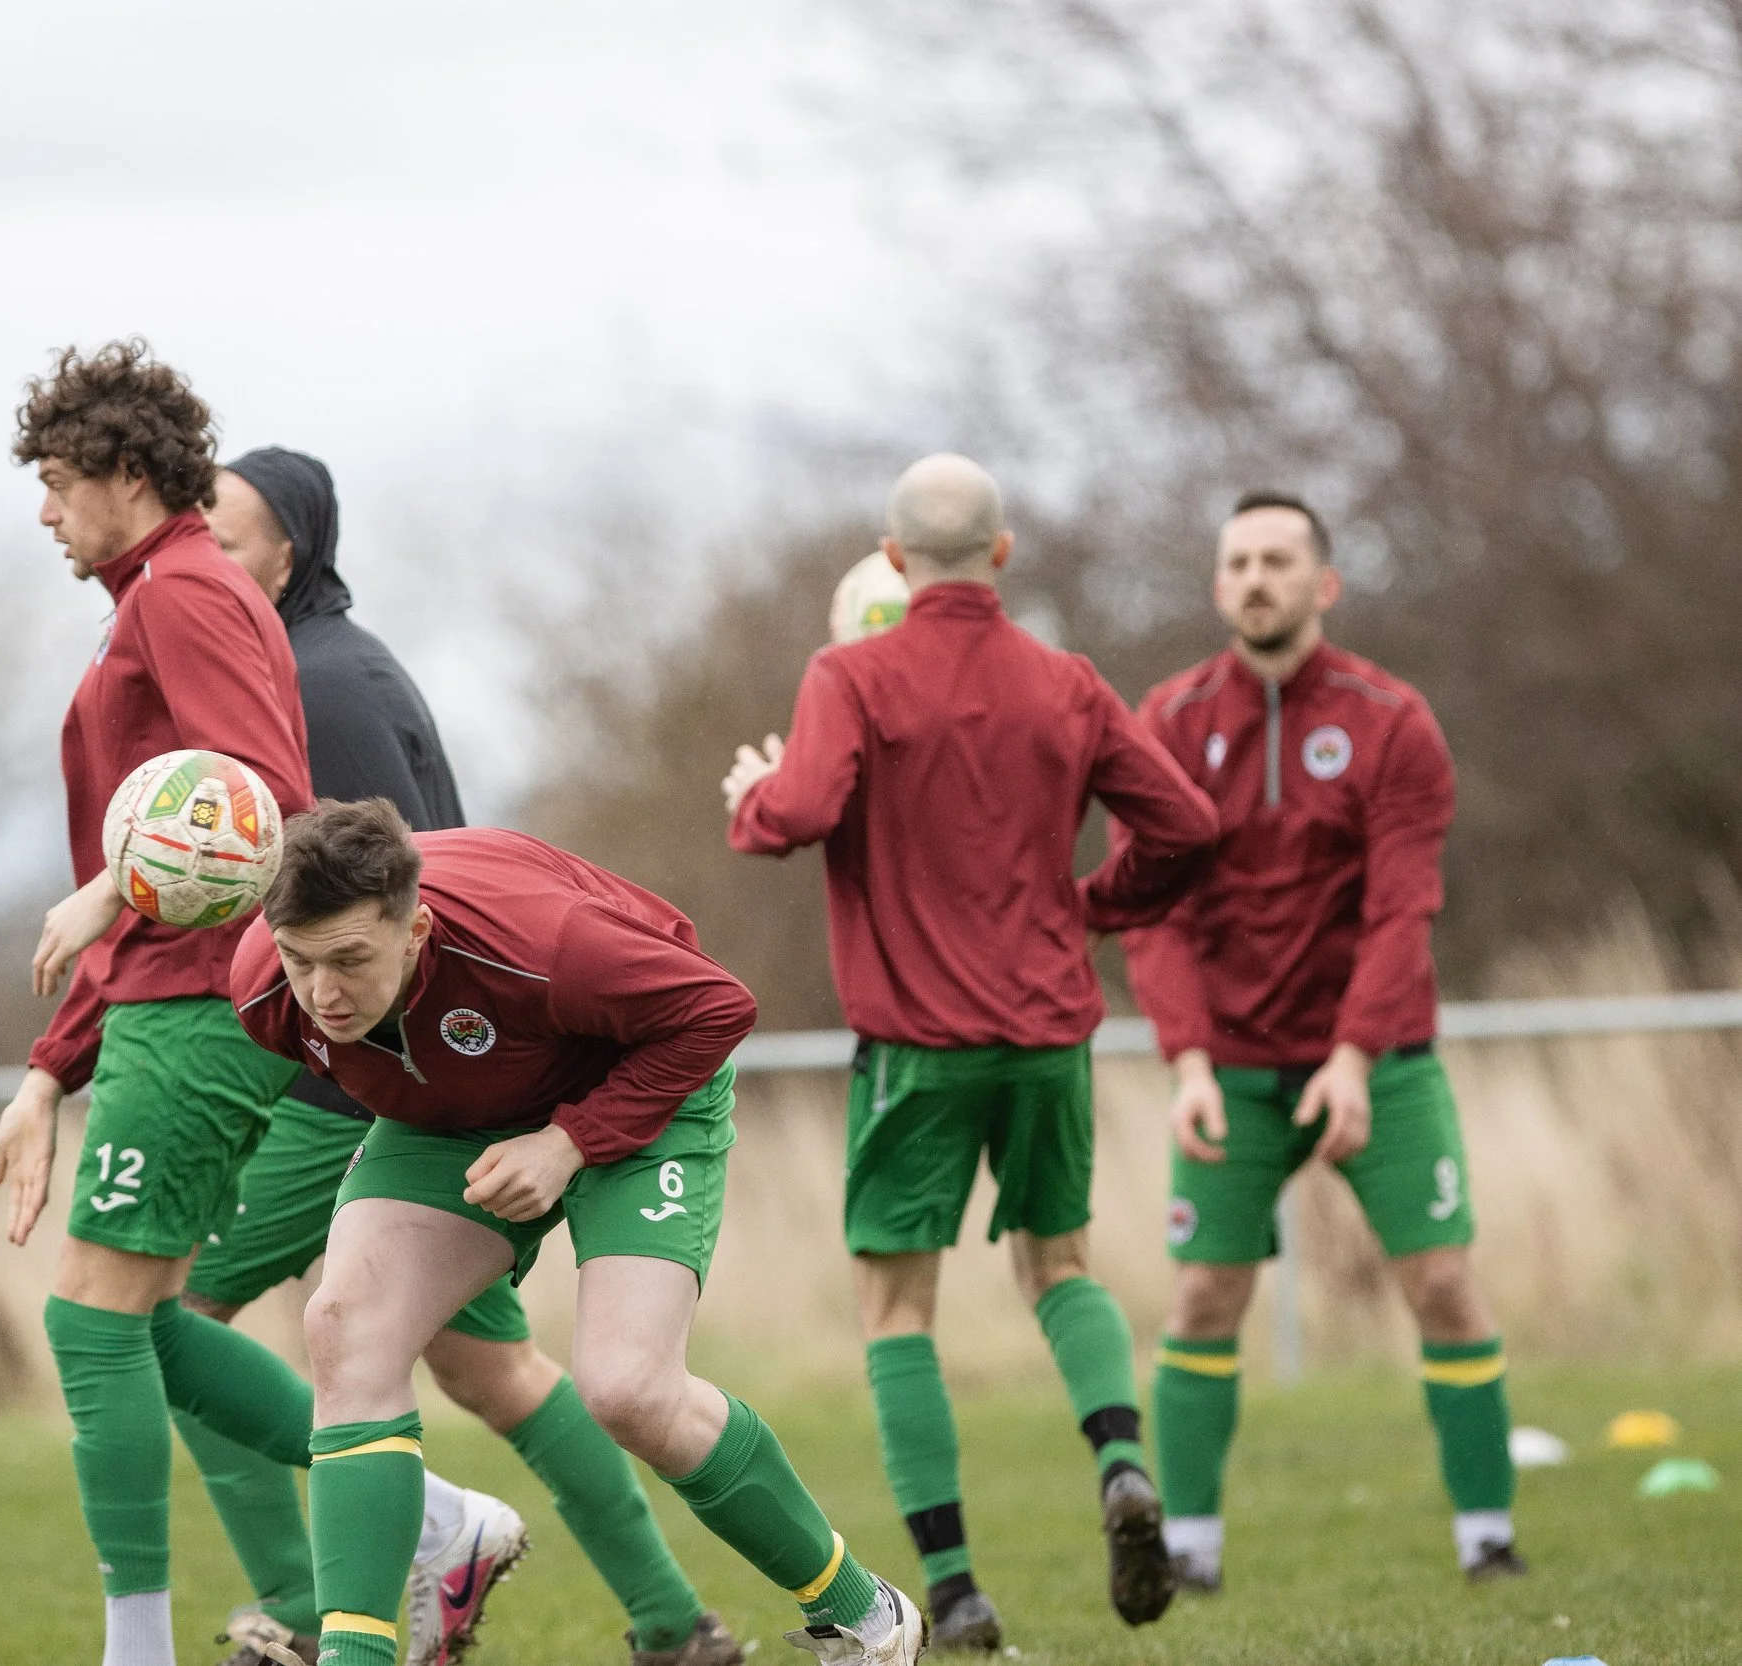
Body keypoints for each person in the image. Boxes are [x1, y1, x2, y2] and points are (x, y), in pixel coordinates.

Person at [181, 447, 745, 1666]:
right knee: (489, 1369)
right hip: (425, 1067)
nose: (200, 557)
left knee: (171, 1314)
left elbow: (394, 891)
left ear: (292, 548)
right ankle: (669, 1620)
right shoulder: (319, 660)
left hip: (386, 1079)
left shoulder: (318, 682)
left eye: (222, 536)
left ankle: (305, 1599)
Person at [230, 803, 931, 1666]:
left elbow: (714, 1009)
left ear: (416, 930)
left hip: (634, 1085)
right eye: (302, 961)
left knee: (629, 1389)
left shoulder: (543, 944)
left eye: (349, 961)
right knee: (345, 1328)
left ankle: (866, 1617)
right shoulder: (267, 988)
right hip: (457, 1122)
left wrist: (569, 1144)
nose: (322, 992)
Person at [722, 454, 1219, 1649]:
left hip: (916, 1047)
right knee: (1061, 1266)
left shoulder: (850, 672)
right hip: (1050, 1036)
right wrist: (1094, 904)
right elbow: (1191, 828)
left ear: (892, 560)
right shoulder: (1069, 681)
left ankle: (952, 1590)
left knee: (897, 1309)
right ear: (1000, 554)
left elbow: (794, 816)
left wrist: (751, 791)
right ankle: (1121, 1466)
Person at [0, 340, 328, 1666]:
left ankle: (139, 1643)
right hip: (162, 1000)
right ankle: (424, 1523)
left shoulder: (184, 594)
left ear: (130, 474)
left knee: (89, 1319)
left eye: (62, 482)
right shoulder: (157, 597)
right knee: (152, 1324)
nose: (47, 511)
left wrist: (111, 889)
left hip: (200, 1002)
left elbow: (262, 794)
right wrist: (46, 1070)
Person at [1120, 491, 1522, 1591]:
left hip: (1377, 1060)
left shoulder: (1392, 721)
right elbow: (1152, 909)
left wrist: (1352, 1058)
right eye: (1238, 561)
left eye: (1279, 560)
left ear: (1323, 583)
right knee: (1203, 1299)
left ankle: (1486, 1533)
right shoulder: (1166, 721)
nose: (1257, 577)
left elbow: (1401, 908)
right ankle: (1188, 1555)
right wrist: (1188, 1060)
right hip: (1231, 1072)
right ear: (1217, 585)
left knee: (1440, 1279)